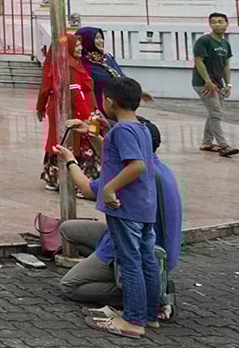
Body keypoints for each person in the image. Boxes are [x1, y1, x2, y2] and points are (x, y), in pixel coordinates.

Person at [56, 117, 182, 321]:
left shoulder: (133, 175)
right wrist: (93, 134)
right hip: (140, 240)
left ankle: (144, 294)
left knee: (70, 285)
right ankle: (135, 282)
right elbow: (112, 161)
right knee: (68, 229)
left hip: (135, 245)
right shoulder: (160, 168)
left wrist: (70, 160)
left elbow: (88, 189)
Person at [84, 77, 161, 339]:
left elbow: (136, 166)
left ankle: (133, 319)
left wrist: (109, 189)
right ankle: (150, 314)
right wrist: (99, 134)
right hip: (144, 205)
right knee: (146, 259)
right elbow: (115, 157)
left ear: (110, 102)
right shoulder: (139, 128)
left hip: (125, 206)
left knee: (130, 262)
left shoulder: (122, 131)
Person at [37, 30, 102, 190]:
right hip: (74, 111)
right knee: (76, 142)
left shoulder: (75, 63)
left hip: (81, 109)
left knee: (63, 141)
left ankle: (57, 178)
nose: (80, 48)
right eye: (77, 45)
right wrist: (87, 116)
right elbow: (75, 93)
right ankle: (79, 183)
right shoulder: (68, 67)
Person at [192, 12, 239, 157]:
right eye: (213, 22)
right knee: (216, 113)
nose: (217, 24)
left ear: (226, 24)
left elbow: (226, 65)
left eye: (220, 22)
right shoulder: (204, 41)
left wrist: (228, 84)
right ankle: (223, 145)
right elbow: (198, 61)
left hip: (218, 83)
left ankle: (207, 142)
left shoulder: (225, 44)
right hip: (204, 83)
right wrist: (207, 81)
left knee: (214, 113)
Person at [75, 26, 154, 109]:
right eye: (97, 38)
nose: (101, 41)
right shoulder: (81, 63)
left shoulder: (107, 58)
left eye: (101, 38)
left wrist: (138, 92)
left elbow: (121, 77)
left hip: (118, 107)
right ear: (87, 40)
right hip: (98, 108)